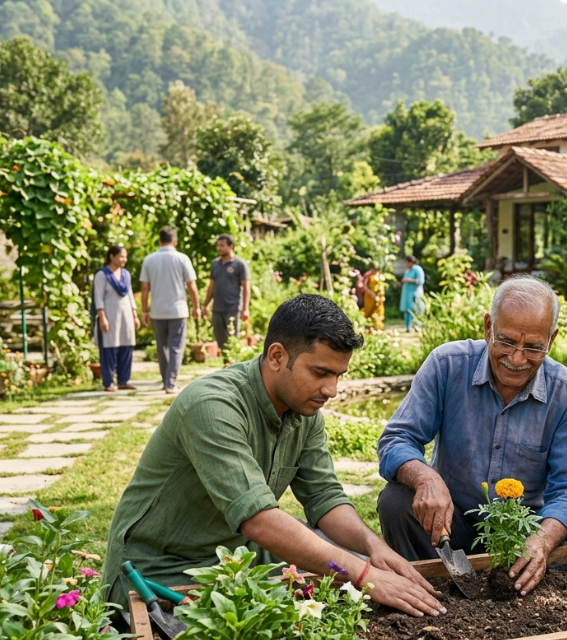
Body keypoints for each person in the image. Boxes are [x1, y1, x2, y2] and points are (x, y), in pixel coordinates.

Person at [102, 294, 446, 620]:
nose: (332, 390)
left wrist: (373, 548)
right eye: (320, 373)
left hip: (238, 560)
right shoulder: (211, 406)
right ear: (277, 356)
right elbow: (260, 521)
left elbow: (325, 499)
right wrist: (363, 574)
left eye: (338, 376)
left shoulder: (305, 412)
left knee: (349, 586)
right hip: (160, 571)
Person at [377, 276, 567, 596]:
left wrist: (542, 542)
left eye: (533, 347)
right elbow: (397, 439)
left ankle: (514, 584)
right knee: (396, 502)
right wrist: (426, 479)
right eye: (505, 342)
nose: (517, 359)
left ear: (552, 340)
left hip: (521, 535)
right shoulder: (447, 365)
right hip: (450, 526)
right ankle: (434, 588)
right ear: (487, 326)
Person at [140, 227, 200, 394]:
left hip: (157, 310)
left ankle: (166, 380)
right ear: (175, 241)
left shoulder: (149, 259)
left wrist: (145, 310)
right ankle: (171, 382)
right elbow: (191, 286)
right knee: (176, 347)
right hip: (178, 310)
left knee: (162, 347)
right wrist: (196, 307)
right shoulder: (182, 258)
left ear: (160, 241)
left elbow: (144, 288)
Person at [92, 246, 140, 392]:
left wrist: (135, 315)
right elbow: (98, 297)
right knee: (109, 348)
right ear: (112, 257)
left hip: (125, 315)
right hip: (109, 315)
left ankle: (124, 380)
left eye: (125, 257)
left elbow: (130, 295)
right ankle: (108, 382)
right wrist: (102, 317)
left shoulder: (126, 274)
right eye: (121, 256)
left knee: (126, 346)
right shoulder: (102, 275)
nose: (124, 259)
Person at [201, 234, 251, 360]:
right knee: (220, 339)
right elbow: (211, 286)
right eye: (218, 245)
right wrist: (205, 305)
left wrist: (245, 309)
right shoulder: (215, 264)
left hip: (232, 308)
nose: (219, 248)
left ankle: (233, 364)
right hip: (217, 308)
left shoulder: (239, 264)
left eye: (222, 246)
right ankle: (227, 363)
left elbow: (246, 288)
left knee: (232, 339)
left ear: (231, 247)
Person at [399, 255, 425, 333]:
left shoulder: (417, 269)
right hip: (406, 295)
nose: (406, 264)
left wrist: (408, 280)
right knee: (407, 311)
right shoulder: (407, 271)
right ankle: (408, 327)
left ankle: (417, 326)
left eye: (407, 262)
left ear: (412, 262)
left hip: (415, 294)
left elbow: (420, 281)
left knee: (415, 310)